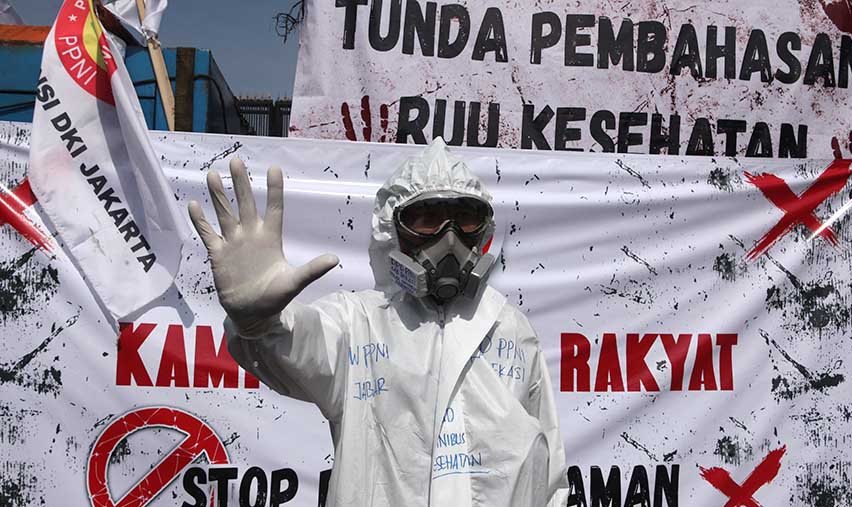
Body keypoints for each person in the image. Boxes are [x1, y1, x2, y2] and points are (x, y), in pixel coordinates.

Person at [188, 139, 568, 506]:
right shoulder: (359, 324)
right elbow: (294, 343)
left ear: (484, 231)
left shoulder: (509, 327)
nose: (449, 239)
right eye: (427, 219)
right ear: (395, 232)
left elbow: (549, 471)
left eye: (466, 220)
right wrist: (258, 320)